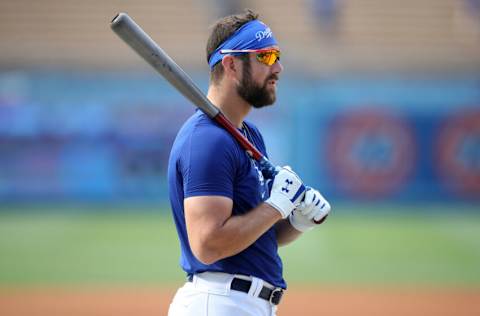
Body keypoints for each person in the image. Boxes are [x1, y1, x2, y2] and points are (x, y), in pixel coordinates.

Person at [167, 9, 331, 316]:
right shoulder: (207, 141)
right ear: (230, 64)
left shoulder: (249, 135)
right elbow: (208, 244)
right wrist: (276, 205)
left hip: (245, 304)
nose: (279, 67)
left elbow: (256, 236)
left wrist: (297, 222)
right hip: (220, 303)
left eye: (277, 56)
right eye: (266, 57)